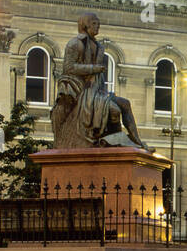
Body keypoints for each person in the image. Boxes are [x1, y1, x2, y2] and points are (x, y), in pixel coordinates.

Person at [51, 13, 150, 150]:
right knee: (114, 110)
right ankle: (113, 142)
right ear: (85, 25)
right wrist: (93, 68)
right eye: (94, 24)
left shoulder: (99, 46)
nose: (98, 27)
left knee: (126, 104)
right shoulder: (75, 43)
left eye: (98, 24)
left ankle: (137, 141)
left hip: (98, 90)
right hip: (83, 91)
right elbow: (69, 68)